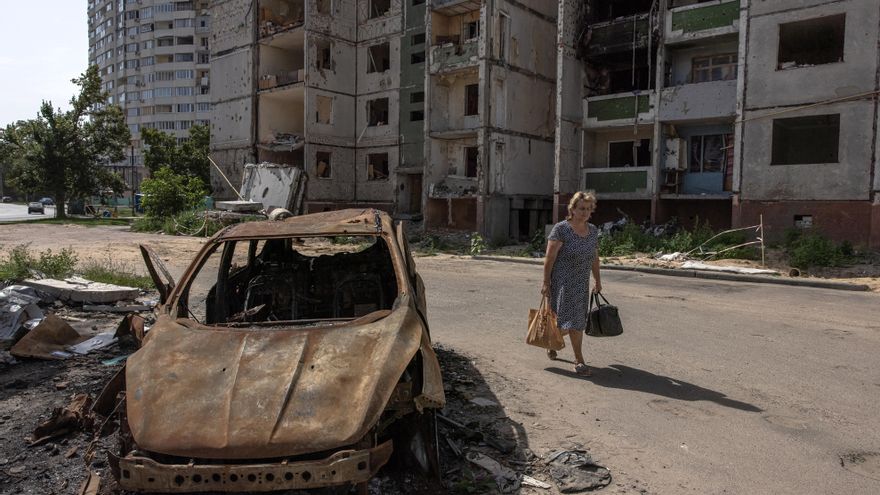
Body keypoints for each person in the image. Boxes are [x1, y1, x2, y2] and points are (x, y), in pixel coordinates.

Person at [541, 191, 602, 376]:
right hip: (562, 283)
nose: (585, 213)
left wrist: (598, 280)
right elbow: (549, 258)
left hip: (581, 284)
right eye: (581, 208)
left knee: (576, 322)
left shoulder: (592, 231)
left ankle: (577, 360)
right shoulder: (561, 229)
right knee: (563, 321)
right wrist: (546, 283)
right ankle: (559, 346)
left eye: (588, 209)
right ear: (572, 209)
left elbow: (594, 258)